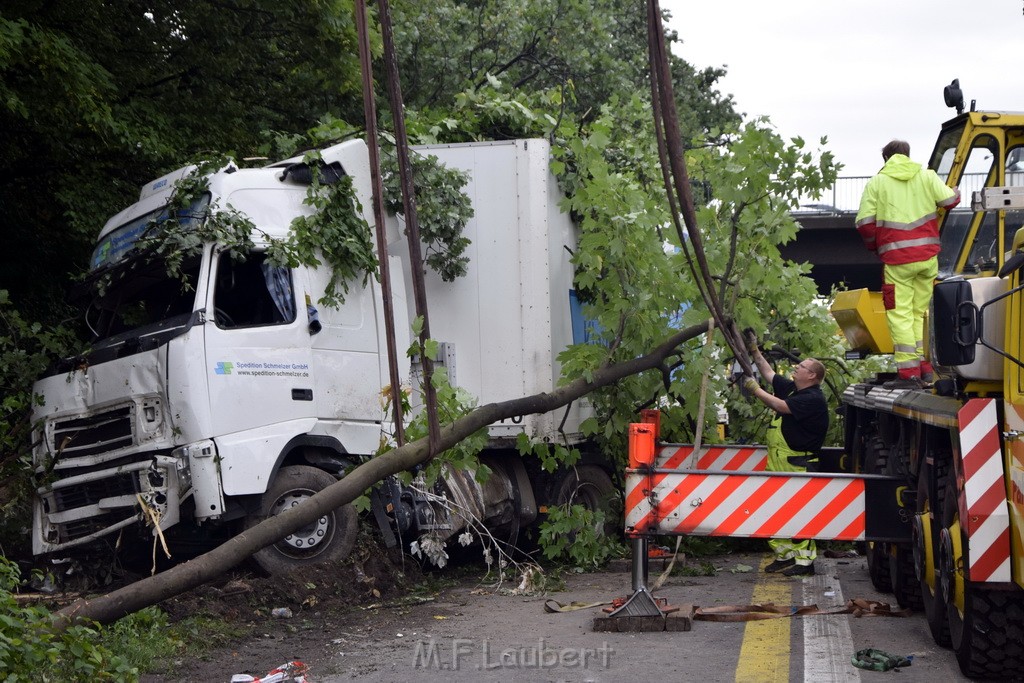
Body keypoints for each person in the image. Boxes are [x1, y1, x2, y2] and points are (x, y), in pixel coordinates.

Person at [855, 140, 960, 386]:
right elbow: (949, 201)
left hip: (897, 261)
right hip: (927, 259)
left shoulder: (877, 183)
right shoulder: (927, 176)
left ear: (886, 159)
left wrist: (875, 246)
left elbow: (865, 224)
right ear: (907, 155)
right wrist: (955, 192)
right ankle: (923, 366)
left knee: (900, 315)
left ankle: (908, 373)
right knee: (918, 313)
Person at [742, 344, 828, 577]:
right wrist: (754, 351)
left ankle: (805, 562)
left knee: (798, 511)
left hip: (797, 464)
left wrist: (755, 390)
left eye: (801, 366)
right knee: (770, 510)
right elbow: (769, 373)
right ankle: (785, 555)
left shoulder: (812, 398)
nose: (796, 367)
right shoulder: (793, 389)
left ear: (812, 375)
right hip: (778, 463)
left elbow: (779, 406)